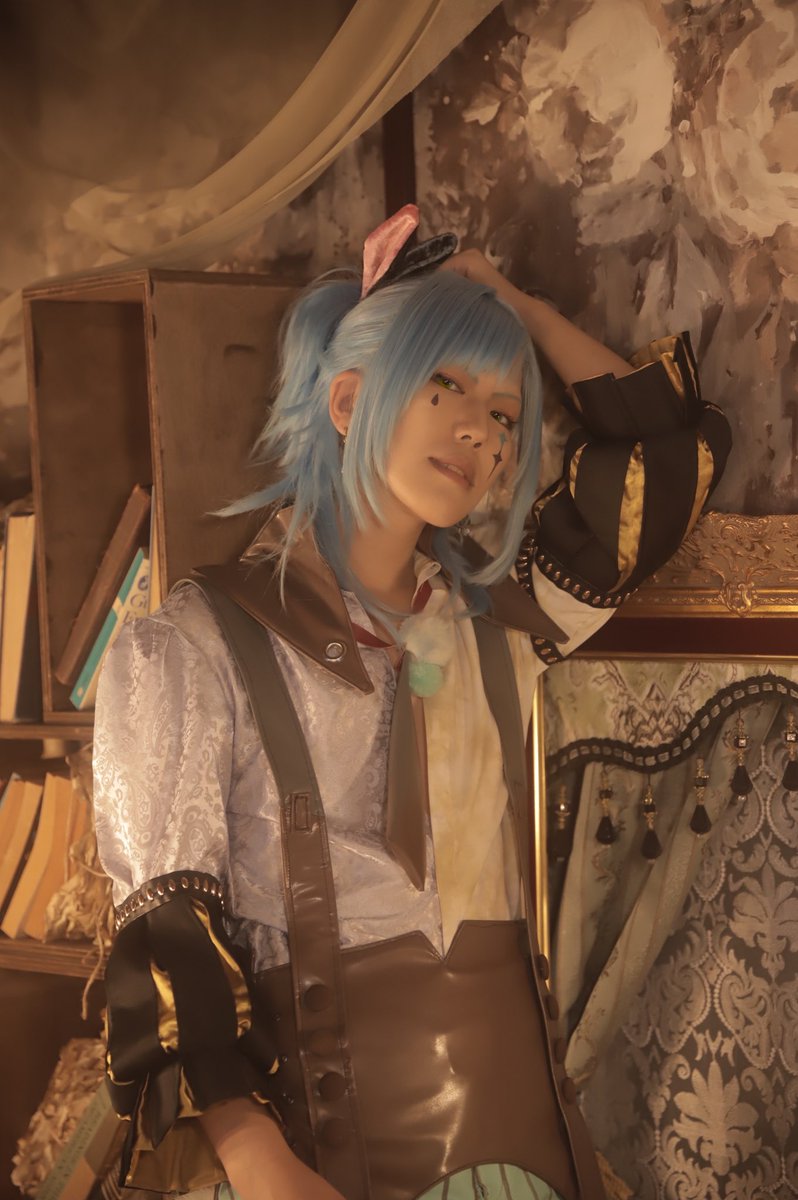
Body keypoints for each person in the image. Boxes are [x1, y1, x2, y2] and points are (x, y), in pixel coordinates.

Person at [92, 206, 731, 1200]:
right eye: (447, 385)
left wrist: (512, 305)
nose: (481, 428)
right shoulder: (194, 644)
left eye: (506, 414)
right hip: (306, 1160)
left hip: (525, 1154)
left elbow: (669, 451)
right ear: (350, 400)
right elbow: (166, 934)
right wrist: (258, 1162)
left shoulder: (502, 621)